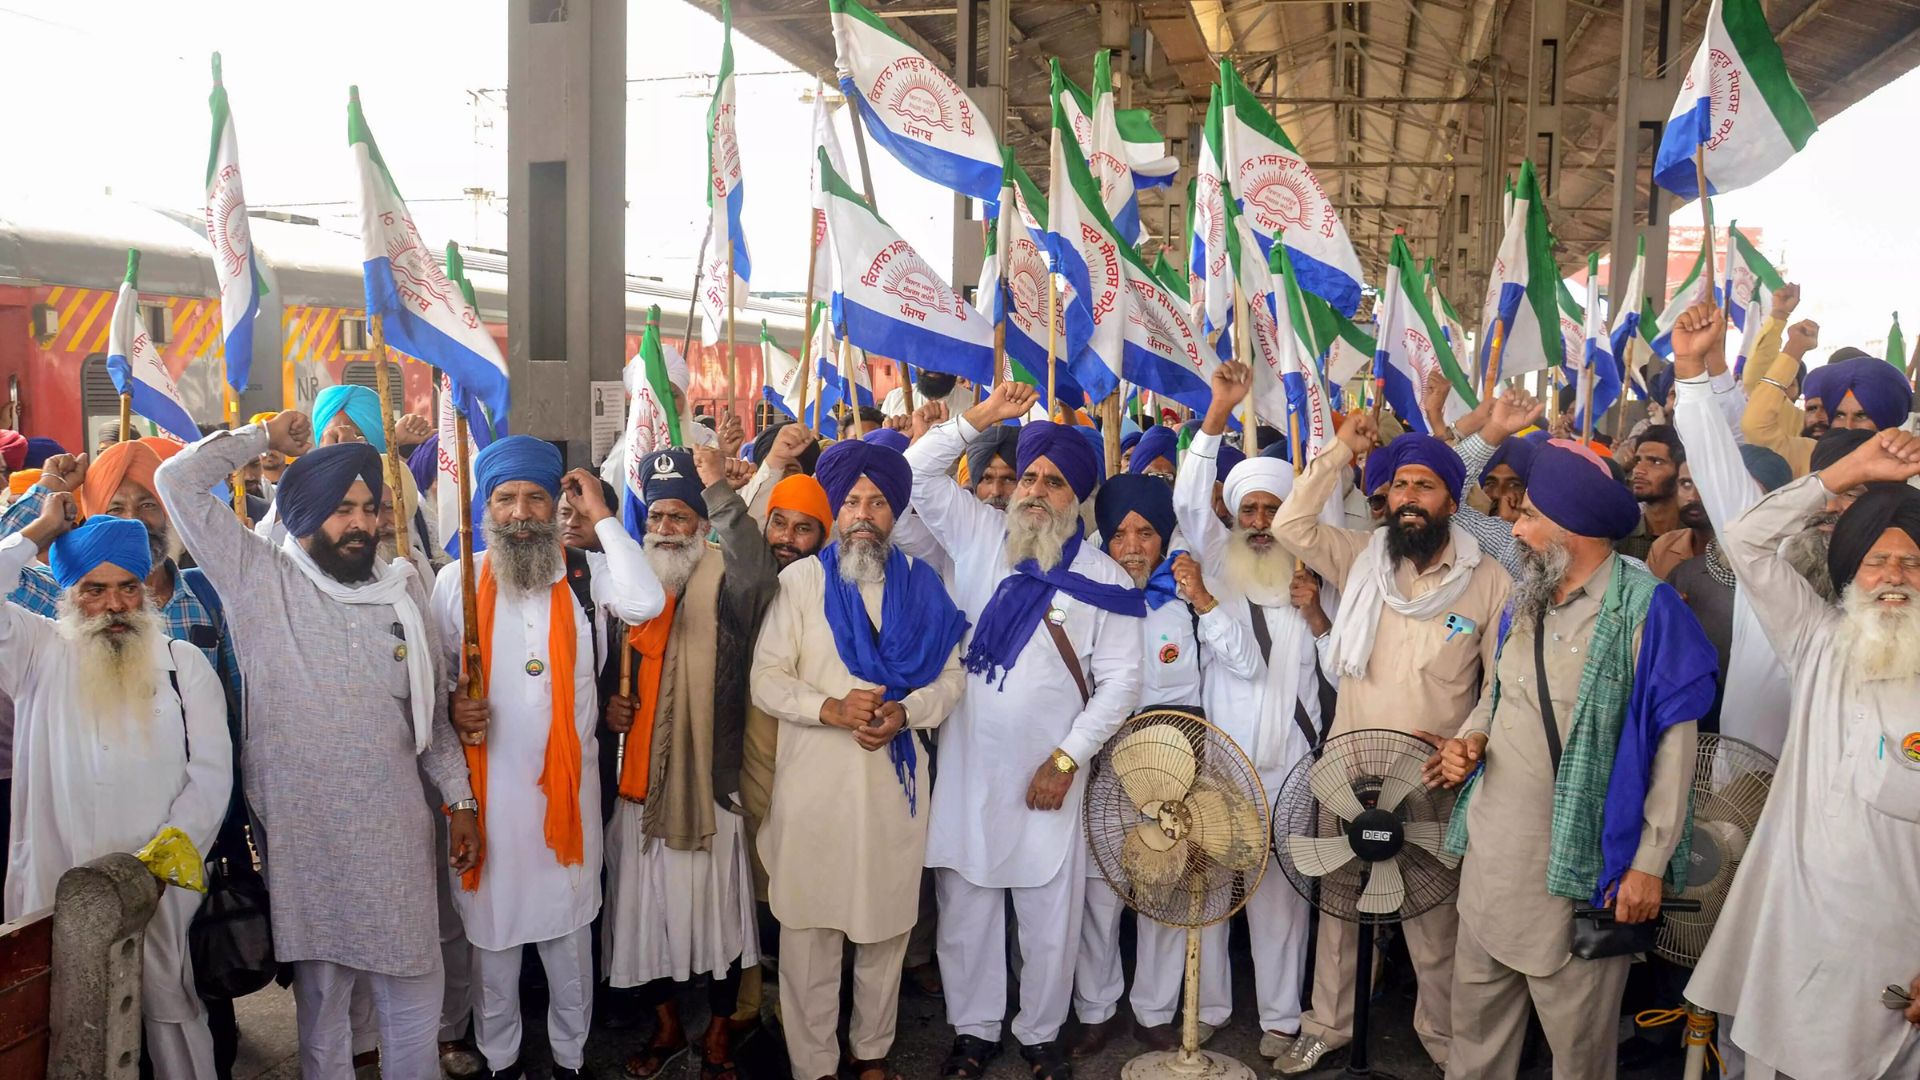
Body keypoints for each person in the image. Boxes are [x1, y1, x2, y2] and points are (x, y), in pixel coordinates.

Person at [155, 415, 480, 1080]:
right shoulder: (259, 578)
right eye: (340, 510)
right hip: (307, 836)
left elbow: (429, 718)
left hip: (394, 830)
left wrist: (462, 800)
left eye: (369, 507)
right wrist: (263, 434)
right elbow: (176, 481)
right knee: (324, 1009)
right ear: (301, 513)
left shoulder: (404, 589)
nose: (359, 524)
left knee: (413, 994)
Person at [1426, 440, 1714, 1080]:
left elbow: (1674, 749)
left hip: (1581, 880)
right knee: (1474, 1045)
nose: (1515, 528)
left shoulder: (1647, 610)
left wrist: (1648, 864)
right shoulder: (1527, 596)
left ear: (1571, 527)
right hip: (1491, 865)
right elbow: (1497, 697)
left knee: (1579, 1058)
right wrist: (1471, 741)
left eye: (1526, 515)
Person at [905, 382, 1144, 1080]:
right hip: (972, 763)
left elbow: (1123, 684)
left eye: (1054, 481)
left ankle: (1040, 1035)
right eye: (1030, 476)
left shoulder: (1106, 580)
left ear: (1078, 497)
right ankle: (973, 1034)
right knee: (967, 909)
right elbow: (917, 473)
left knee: (1049, 916)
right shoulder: (979, 532)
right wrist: (979, 420)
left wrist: (1068, 759)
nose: (1036, 489)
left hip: (1051, 774)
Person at [1268, 410, 1511, 1076]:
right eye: (1400, 484)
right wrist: (1339, 452)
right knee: (1342, 910)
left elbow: (1499, 683)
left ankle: (1445, 1040)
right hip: (1348, 768)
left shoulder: (1490, 581)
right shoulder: (1359, 557)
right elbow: (1290, 526)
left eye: (1423, 486)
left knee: (1435, 925)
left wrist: (1468, 742)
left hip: (1431, 776)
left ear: (1451, 503)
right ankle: (1328, 1026)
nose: (1407, 497)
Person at [1684, 429, 1920, 1080]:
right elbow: (1746, 542)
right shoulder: (1817, 643)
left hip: (1898, 971)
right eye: (1876, 561)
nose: (1893, 578)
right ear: (1850, 571)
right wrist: (1844, 472)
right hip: (1794, 952)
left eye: (1911, 562)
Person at [430, 436, 664, 1079]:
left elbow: (647, 604)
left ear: (558, 505)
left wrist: (602, 517)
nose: (521, 512)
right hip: (491, 800)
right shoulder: (456, 580)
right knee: (495, 946)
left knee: (567, 942)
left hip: (569, 799)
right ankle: (502, 1059)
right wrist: (455, 706)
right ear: (487, 505)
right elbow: (435, 688)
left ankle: (569, 1059)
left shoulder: (586, 574)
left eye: (537, 497)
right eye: (506, 499)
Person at [751, 439, 969, 1080]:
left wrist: (910, 710)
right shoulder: (801, 581)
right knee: (810, 934)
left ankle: (870, 1055)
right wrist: (830, 709)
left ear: (894, 512)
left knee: (884, 932)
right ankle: (813, 1064)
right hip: (813, 786)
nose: (864, 514)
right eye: (851, 502)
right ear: (835, 509)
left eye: (877, 502)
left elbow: (953, 681)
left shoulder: (925, 586)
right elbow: (766, 679)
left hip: (890, 787)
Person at [1, 509, 231, 1079]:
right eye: (94, 590)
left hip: (157, 881)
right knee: (59, 1020)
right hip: (54, 882)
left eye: (128, 587)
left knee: (169, 1011)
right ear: (67, 591)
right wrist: (38, 529)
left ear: (147, 589)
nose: (114, 605)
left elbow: (211, 774)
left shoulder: (184, 665)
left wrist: (160, 866)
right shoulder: (33, 654)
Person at [1162, 365, 1330, 1061]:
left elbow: (1339, 660)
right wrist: (1215, 415)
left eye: (1271, 511)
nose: (1260, 523)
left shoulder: (1316, 569)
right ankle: (1209, 1006)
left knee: (1281, 897)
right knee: (1209, 883)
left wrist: (1314, 610)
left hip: (1292, 757)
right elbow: (1188, 500)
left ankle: (1281, 1016)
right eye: (1250, 510)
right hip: (1221, 754)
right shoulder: (1216, 562)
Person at [601, 445, 778, 1080]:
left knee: (721, 917)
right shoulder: (626, 580)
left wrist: (719, 489)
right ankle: (669, 1027)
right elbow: (596, 674)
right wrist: (609, 708)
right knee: (645, 916)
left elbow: (762, 577)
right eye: (657, 516)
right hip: (641, 781)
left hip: (710, 781)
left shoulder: (726, 575)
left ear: (702, 522)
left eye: (681, 516)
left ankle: (719, 1036)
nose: (667, 528)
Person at [1073, 472, 1215, 1054]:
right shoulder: (1082, 594)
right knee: (1099, 889)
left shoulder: (1187, 599)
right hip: (1105, 759)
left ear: (1166, 538)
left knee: (1164, 884)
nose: (1132, 545)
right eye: (1120, 533)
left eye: (1146, 532)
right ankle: (1095, 1009)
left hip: (1176, 759)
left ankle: (1154, 1008)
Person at [1746, 348, 1912, 475]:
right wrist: (1794, 347)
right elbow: (1754, 425)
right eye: (1839, 415)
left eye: (1861, 416)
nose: (1848, 426)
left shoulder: (1908, 460)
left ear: (1886, 419)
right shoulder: (1809, 453)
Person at [1619, 425, 1684, 562]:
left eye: (1655, 462)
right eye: (1637, 461)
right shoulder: (1621, 535)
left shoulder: (1696, 537)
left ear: (1681, 471)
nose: (1638, 470)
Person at [763, 473, 831, 569]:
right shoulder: (741, 570)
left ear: (822, 537)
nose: (787, 538)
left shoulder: (827, 582)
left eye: (802, 529)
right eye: (779, 523)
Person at [881, 368, 974, 420]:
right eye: (927, 358)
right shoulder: (894, 398)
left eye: (941, 357)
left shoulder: (972, 402)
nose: (933, 365)